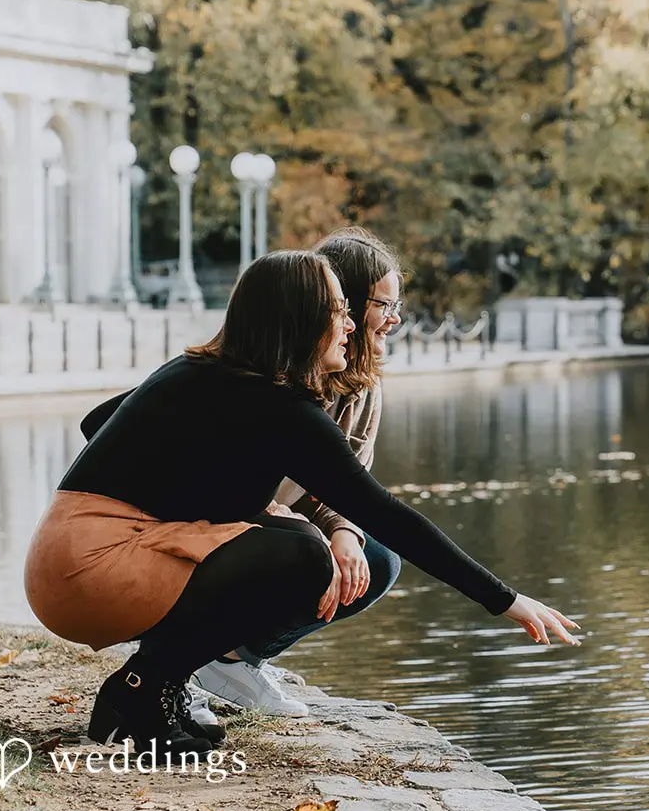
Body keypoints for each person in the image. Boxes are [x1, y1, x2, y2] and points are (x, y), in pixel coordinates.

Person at [24, 249, 579, 757]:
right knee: (305, 556)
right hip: (86, 567)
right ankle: (141, 692)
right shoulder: (278, 407)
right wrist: (503, 599)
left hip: (65, 556)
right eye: (340, 310)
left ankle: (159, 687)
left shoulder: (206, 372)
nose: (351, 324)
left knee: (295, 539)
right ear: (300, 319)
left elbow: (99, 423)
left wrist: (205, 506)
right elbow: (385, 514)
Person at [80, 227, 410, 719]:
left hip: (265, 527)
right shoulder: (255, 374)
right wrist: (261, 509)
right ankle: (170, 668)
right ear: (339, 299)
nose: (394, 318)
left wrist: (342, 531)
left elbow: (350, 491)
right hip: (203, 523)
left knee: (376, 560)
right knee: (297, 550)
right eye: (383, 304)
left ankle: (234, 659)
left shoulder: (360, 389)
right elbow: (100, 424)